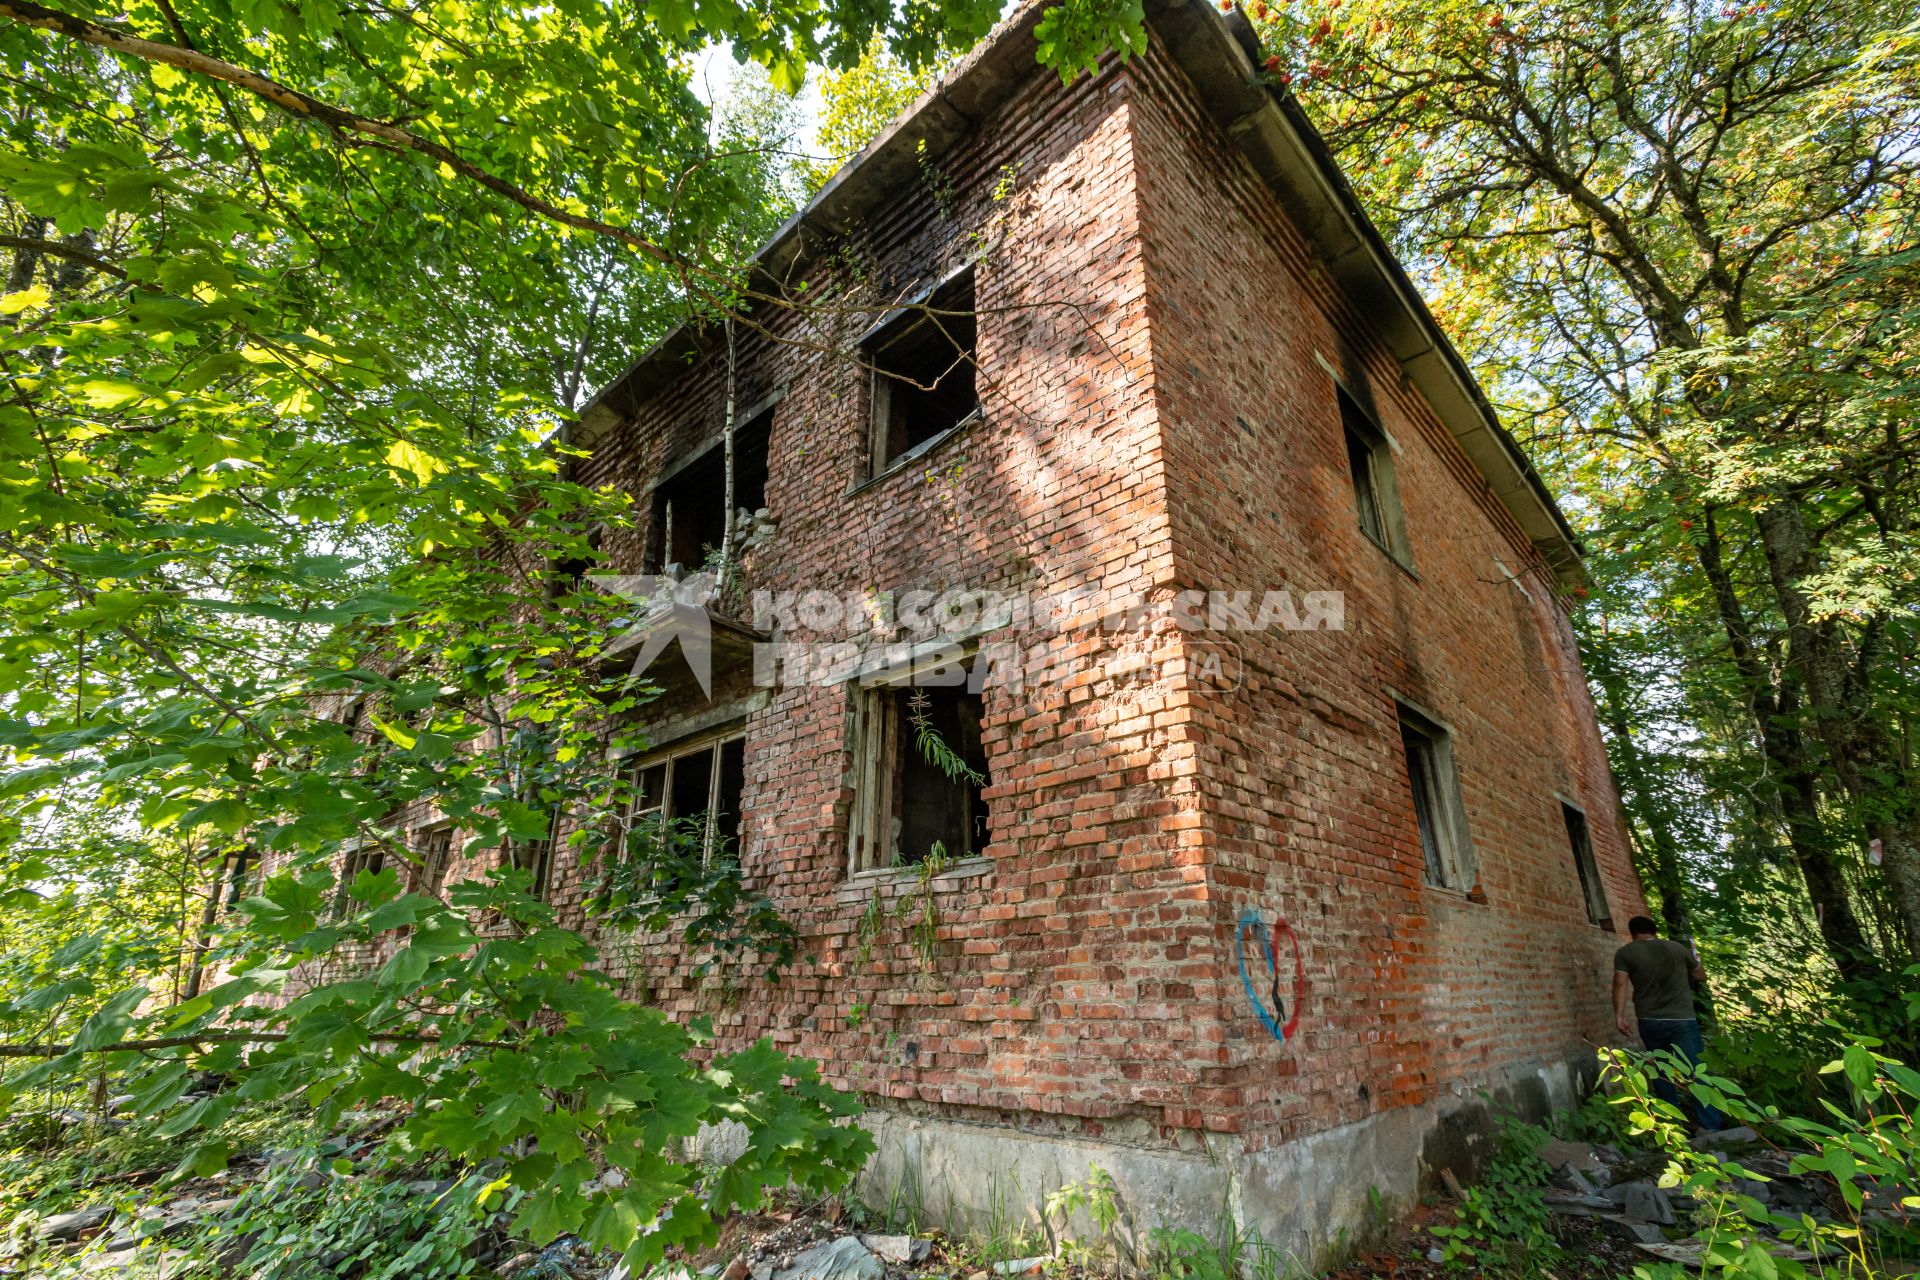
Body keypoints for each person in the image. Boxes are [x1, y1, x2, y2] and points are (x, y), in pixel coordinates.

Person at [1613, 915, 1721, 1132]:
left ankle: (1672, 1124)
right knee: (1695, 1071)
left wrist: (1619, 1015)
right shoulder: (1677, 949)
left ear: (1632, 933)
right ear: (1654, 931)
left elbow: (1619, 983)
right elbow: (1700, 976)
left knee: (1661, 1071)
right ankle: (1710, 1125)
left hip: (1650, 1020)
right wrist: (1696, 958)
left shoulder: (1626, 953)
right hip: (1682, 1020)